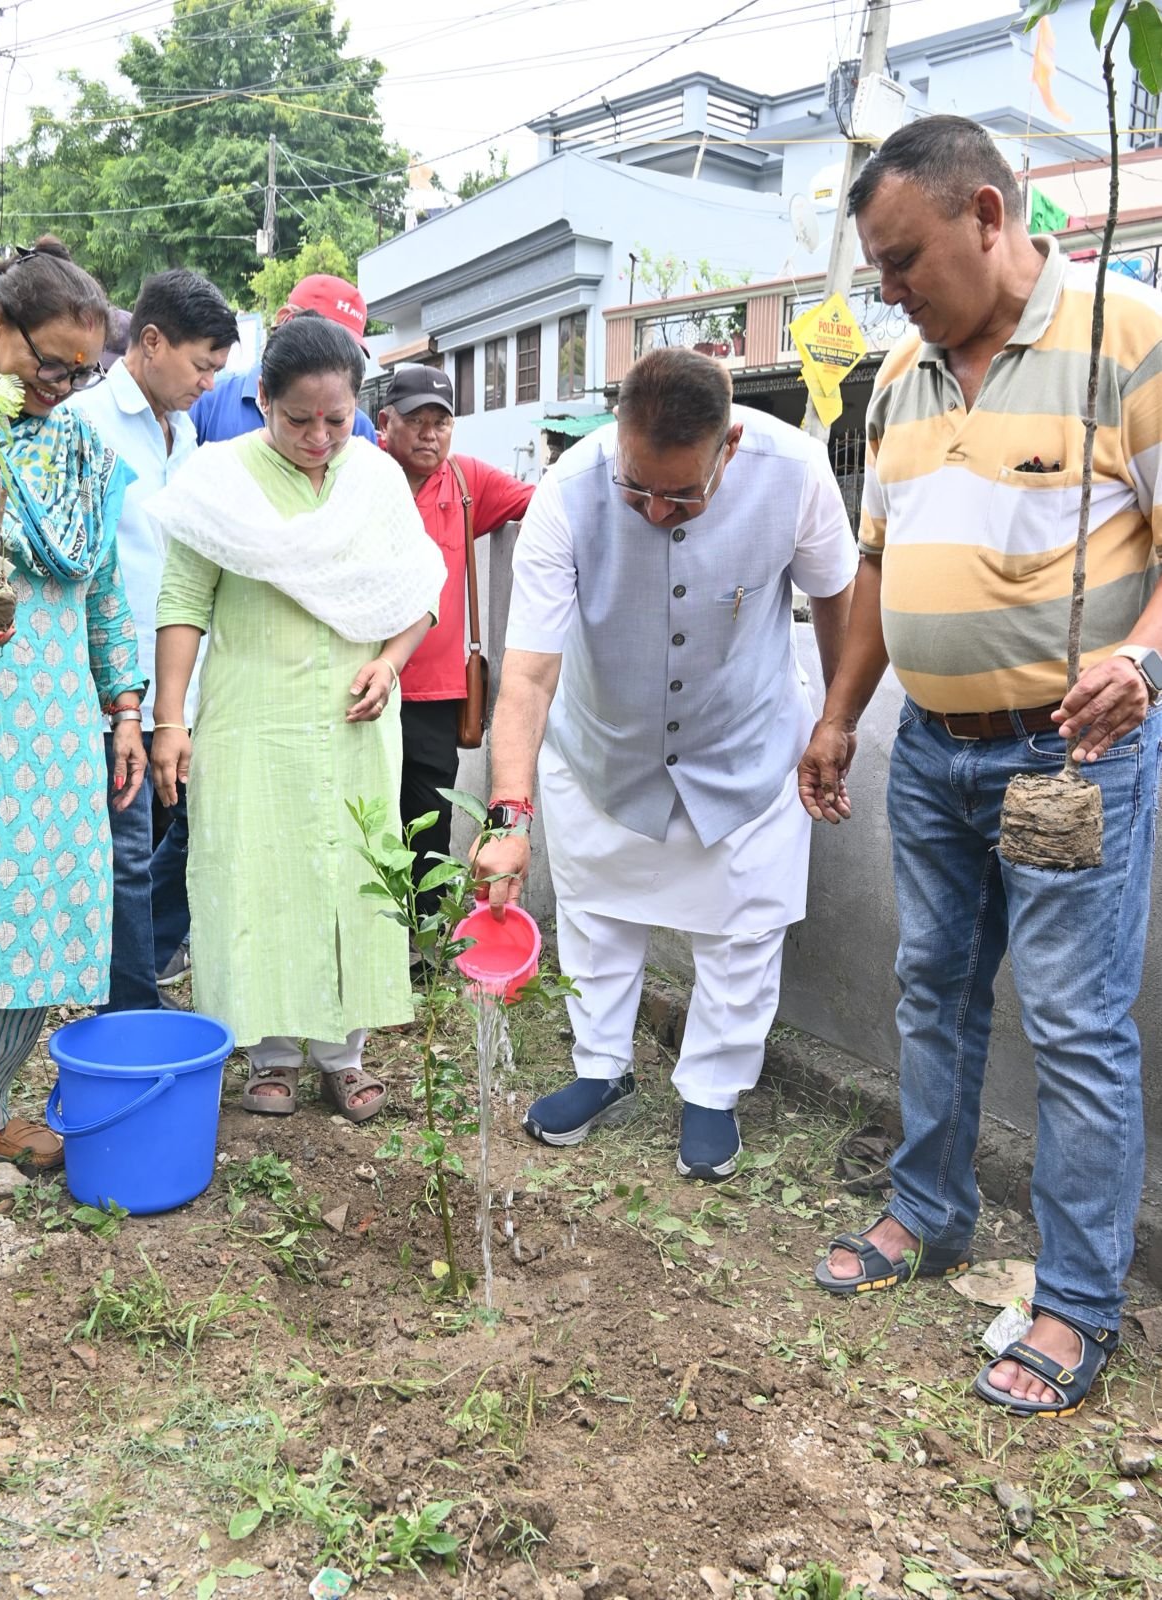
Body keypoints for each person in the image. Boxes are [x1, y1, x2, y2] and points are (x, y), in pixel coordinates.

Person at [798, 116, 1162, 1417]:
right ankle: (927, 1213)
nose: (889, 290)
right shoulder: (900, 373)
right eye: (877, 269)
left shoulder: (1122, 335)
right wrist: (841, 711)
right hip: (930, 756)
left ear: (987, 216)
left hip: (1067, 756)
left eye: (902, 260)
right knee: (930, 990)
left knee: (1069, 1024)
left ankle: (1074, 1300)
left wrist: (1139, 659)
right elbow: (879, 562)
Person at [472, 347, 856, 1181]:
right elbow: (528, 673)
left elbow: (837, 599)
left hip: (744, 740)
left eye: (680, 495)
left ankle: (712, 1092)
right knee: (597, 917)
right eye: (635, 487)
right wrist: (508, 814)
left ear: (729, 445)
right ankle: (599, 1070)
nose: (653, 510)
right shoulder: (570, 490)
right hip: (605, 741)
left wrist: (837, 719)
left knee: (741, 928)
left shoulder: (794, 471)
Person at [0, 238, 146, 1278]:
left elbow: (103, 589)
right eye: (52, 364)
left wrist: (124, 706)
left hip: (50, 734)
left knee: (36, 919)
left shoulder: (83, 457)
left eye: (85, 372)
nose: (65, 387)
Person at [148, 314, 445, 1120]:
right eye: (298, 420)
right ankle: (270, 1051)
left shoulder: (375, 479)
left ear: (357, 409)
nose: (318, 438)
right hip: (251, 718)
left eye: (336, 420)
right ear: (262, 399)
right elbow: (182, 603)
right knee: (257, 874)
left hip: (354, 720)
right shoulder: (217, 480)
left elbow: (417, 590)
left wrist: (390, 661)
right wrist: (170, 720)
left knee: (350, 872)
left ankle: (344, 1053)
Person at [71, 270, 237, 1010]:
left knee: (202, 828)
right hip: (117, 685)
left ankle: (148, 963)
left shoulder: (187, 433)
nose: (208, 383)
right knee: (130, 851)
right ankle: (131, 1009)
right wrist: (119, 696)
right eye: (201, 364)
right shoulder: (85, 425)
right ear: (150, 341)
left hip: (184, 683)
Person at [377, 366, 534, 912]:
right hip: (364, 685)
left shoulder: (467, 482)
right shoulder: (361, 475)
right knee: (367, 816)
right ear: (385, 422)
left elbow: (546, 506)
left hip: (437, 696)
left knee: (429, 824)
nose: (429, 434)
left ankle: (425, 943)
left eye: (440, 422)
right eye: (416, 420)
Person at [191, 274, 378, 446]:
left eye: (347, 347)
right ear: (284, 319)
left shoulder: (359, 430)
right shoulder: (208, 402)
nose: (318, 437)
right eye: (297, 419)